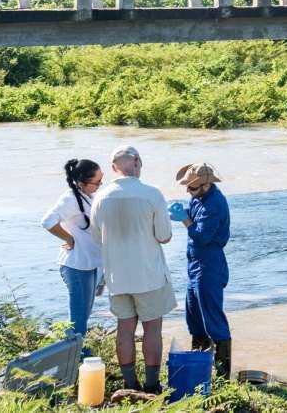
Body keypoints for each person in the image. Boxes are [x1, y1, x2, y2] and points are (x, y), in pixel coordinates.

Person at [90, 146, 175, 394]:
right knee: (152, 329)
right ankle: (151, 386)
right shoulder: (152, 194)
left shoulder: (101, 198)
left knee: (124, 330)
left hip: (117, 277)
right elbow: (164, 236)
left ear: (114, 167)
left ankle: (129, 384)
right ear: (137, 161)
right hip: (148, 275)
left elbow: (97, 238)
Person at [168, 163, 232, 379]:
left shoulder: (214, 204)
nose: (189, 191)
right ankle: (199, 368)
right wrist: (183, 212)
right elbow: (194, 218)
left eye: (193, 188)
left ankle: (223, 376)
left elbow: (202, 236)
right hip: (195, 265)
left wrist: (184, 220)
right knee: (194, 318)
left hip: (209, 266)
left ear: (207, 185)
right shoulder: (199, 197)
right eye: (187, 187)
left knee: (213, 320)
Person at [41, 158, 103, 342]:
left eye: (101, 180)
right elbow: (47, 221)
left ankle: (79, 353)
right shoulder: (69, 199)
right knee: (78, 318)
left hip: (91, 264)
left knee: (85, 314)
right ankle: (77, 358)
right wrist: (68, 237)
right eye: (97, 182)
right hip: (76, 266)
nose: (100, 185)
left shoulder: (89, 195)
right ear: (82, 183)